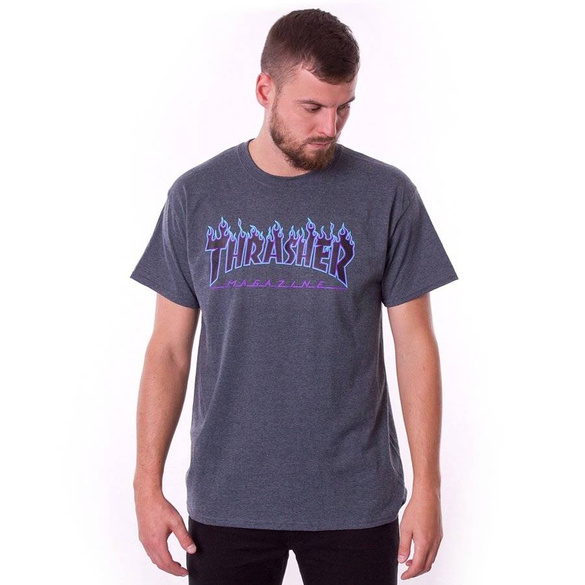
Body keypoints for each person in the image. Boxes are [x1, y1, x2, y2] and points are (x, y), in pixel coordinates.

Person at [130, 8, 458, 584]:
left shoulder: (387, 195)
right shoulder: (196, 196)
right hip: (228, 496)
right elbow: (169, 351)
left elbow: (415, 346)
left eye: (344, 107)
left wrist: (428, 489)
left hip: (355, 499)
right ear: (265, 90)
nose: (330, 126)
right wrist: (145, 486)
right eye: (312, 108)